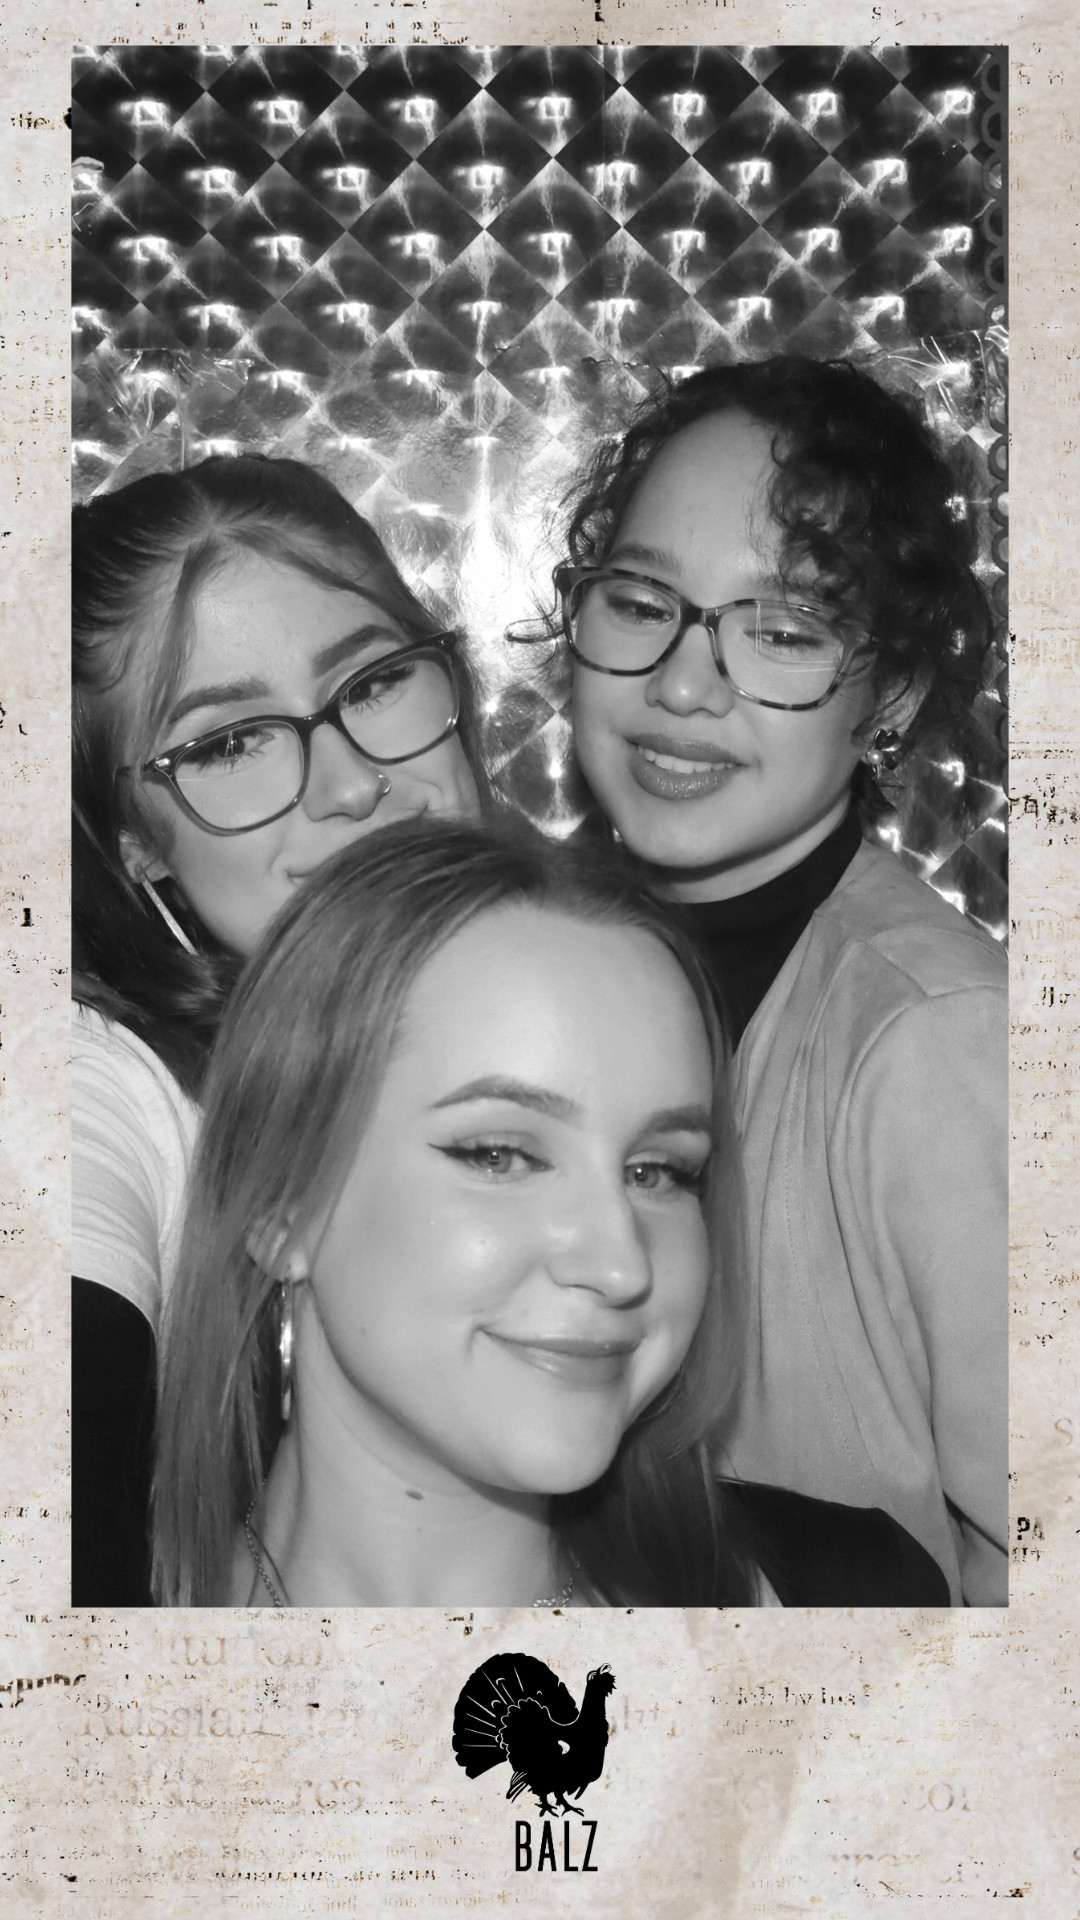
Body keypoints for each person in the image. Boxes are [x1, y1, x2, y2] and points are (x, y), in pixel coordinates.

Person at [152, 817, 950, 1608]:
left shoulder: (863, 1603)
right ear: (280, 1203)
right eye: (501, 1155)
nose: (621, 1264)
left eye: (658, 1171)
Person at [551, 356, 1007, 1606]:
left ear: (889, 698)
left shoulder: (941, 1039)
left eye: (785, 633)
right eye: (642, 602)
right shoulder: (528, 966)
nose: (681, 686)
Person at [72, 453, 483, 1602]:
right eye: (230, 743)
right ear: (136, 842)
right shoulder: (107, 1089)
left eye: (374, 683)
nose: (349, 784)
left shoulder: (617, 1006)